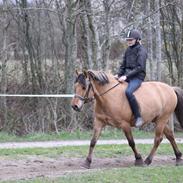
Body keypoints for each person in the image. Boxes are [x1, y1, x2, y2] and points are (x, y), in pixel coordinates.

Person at [115, 29, 147, 127]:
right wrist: (118, 74)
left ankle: (138, 117)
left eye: (131, 40)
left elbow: (140, 67)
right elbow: (123, 65)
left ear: (137, 40)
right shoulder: (128, 50)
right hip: (126, 75)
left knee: (128, 92)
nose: (129, 42)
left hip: (137, 77)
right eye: (128, 40)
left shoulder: (142, 51)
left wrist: (126, 76)